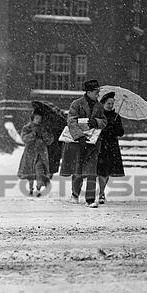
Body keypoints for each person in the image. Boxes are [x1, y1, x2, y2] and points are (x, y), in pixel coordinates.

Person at [60, 79, 107, 208]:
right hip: (77, 144)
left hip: (93, 143)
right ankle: (75, 194)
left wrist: (96, 122)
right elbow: (71, 121)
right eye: (96, 92)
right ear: (89, 92)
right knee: (78, 170)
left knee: (92, 171)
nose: (98, 94)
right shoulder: (76, 104)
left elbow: (104, 121)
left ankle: (90, 199)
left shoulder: (99, 106)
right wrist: (79, 137)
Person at [18, 111, 54, 197]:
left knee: (40, 172)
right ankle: (30, 189)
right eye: (37, 118)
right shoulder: (27, 128)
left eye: (40, 119)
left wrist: (44, 135)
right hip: (30, 153)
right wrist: (33, 134)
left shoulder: (44, 128)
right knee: (30, 172)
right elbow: (24, 139)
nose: (38, 120)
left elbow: (50, 140)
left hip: (41, 154)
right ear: (33, 118)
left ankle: (38, 189)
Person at [97, 92, 125, 204]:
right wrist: (105, 129)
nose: (110, 105)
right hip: (100, 145)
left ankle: (102, 192)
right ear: (103, 103)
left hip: (112, 146)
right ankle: (100, 192)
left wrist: (114, 126)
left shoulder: (116, 116)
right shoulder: (99, 114)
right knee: (100, 170)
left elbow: (121, 132)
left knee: (107, 171)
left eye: (112, 103)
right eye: (108, 103)